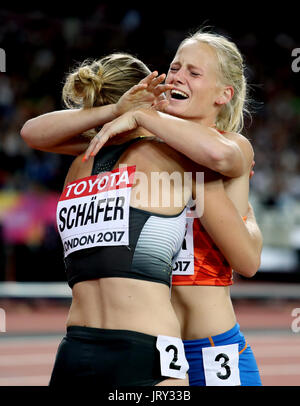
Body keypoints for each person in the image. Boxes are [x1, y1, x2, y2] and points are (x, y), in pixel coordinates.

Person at [21, 30, 262, 386]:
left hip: (207, 348)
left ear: (223, 95)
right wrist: (122, 113)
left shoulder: (230, 147)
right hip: (153, 344)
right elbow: (35, 133)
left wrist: (146, 119)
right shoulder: (140, 147)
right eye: (175, 67)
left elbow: (248, 260)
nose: (178, 75)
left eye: (194, 73)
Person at [23, 53, 195, 386]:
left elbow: (32, 133)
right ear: (147, 96)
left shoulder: (81, 159)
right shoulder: (168, 156)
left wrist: (115, 113)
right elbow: (225, 153)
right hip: (145, 350)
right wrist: (127, 112)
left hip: (76, 350)